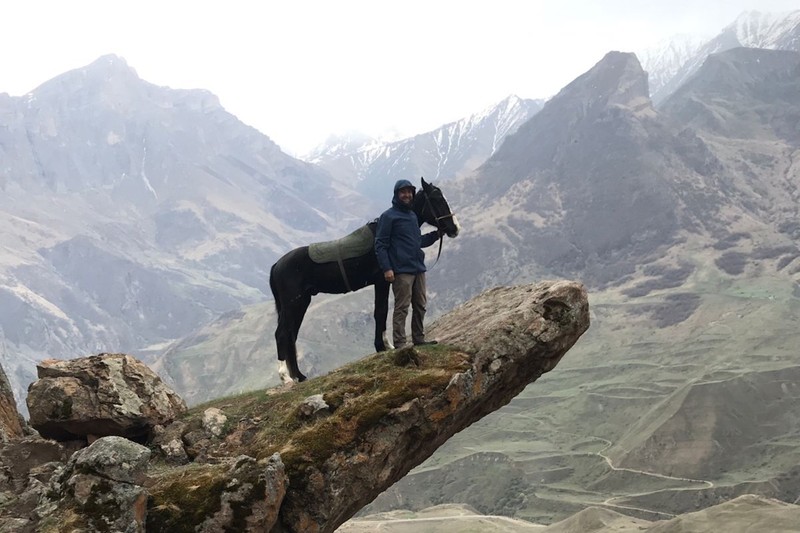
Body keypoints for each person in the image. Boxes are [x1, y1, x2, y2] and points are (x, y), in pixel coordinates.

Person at [375, 179, 440, 349]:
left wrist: (437, 234)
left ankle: (418, 339)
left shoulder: (412, 216)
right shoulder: (388, 217)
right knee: (402, 307)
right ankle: (400, 343)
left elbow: (418, 241)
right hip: (401, 271)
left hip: (418, 268)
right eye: (403, 192)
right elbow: (380, 244)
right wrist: (387, 268)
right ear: (397, 194)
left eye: (409, 192)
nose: (407, 195)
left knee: (420, 305)